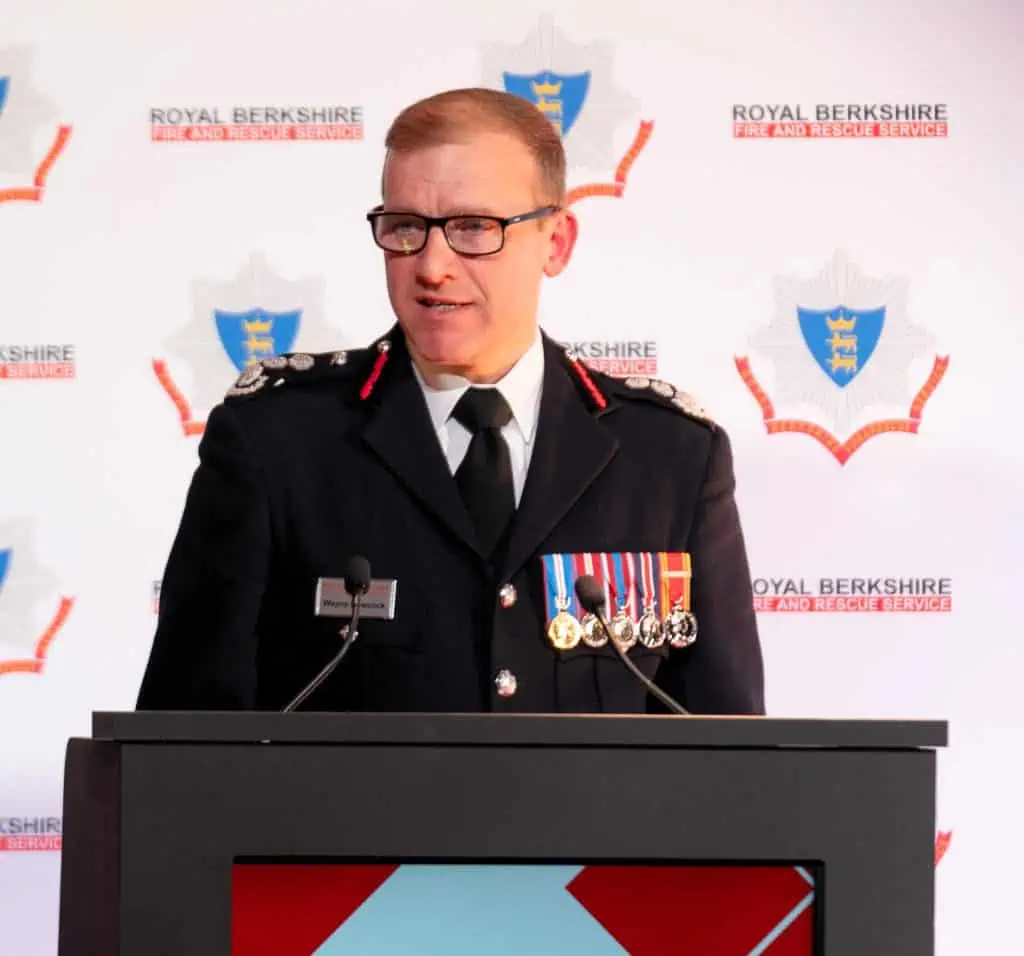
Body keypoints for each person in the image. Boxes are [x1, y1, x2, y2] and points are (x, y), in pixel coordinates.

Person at [136, 87, 765, 715]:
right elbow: (181, 740)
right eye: (406, 227)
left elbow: (728, 751)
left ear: (556, 242)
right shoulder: (276, 442)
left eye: (473, 228)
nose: (432, 266)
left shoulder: (672, 458)